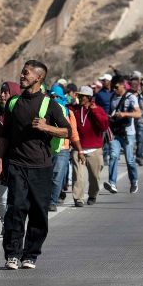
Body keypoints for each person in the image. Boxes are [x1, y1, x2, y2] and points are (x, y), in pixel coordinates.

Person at [0, 61, 71, 270]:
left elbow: (68, 132)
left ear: (38, 78)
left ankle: (30, 254)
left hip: (41, 166)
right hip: (17, 164)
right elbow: (4, 136)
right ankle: (12, 253)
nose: (21, 75)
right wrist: (1, 162)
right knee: (16, 209)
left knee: (39, 213)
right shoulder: (13, 103)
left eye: (26, 73)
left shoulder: (50, 104)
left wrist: (47, 127)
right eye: (22, 72)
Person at [70, 86, 109, 206]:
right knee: (78, 176)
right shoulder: (74, 109)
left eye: (82, 96)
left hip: (95, 149)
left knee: (95, 178)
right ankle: (78, 198)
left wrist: (95, 111)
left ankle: (92, 195)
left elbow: (104, 126)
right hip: (78, 148)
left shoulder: (98, 109)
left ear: (89, 98)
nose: (80, 98)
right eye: (79, 96)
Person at [0, 82, 21, 228]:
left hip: (19, 160)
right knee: (0, 195)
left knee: (16, 197)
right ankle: (6, 223)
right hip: (0, 159)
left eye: (6, 92)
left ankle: (14, 224)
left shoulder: (21, 111)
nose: (2, 95)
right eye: (1, 92)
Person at [103, 76, 141, 194]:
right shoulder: (113, 97)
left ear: (122, 85)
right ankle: (112, 183)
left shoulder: (131, 97)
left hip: (128, 133)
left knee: (129, 160)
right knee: (113, 155)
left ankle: (134, 181)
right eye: (112, 87)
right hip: (116, 132)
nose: (114, 89)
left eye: (116, 87)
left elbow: (138, 114)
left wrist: (124, 114)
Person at [48, 83, 82, 211]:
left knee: (57, 176)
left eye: (57, 96)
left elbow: (73, 133)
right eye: (52, 96)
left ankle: (52, 201)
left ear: (62, 96)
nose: (54, 98)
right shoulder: (45, 109)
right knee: (45, 176)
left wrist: (80, 150)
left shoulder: (68, 112)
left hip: (62, 149)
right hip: (46, 148)